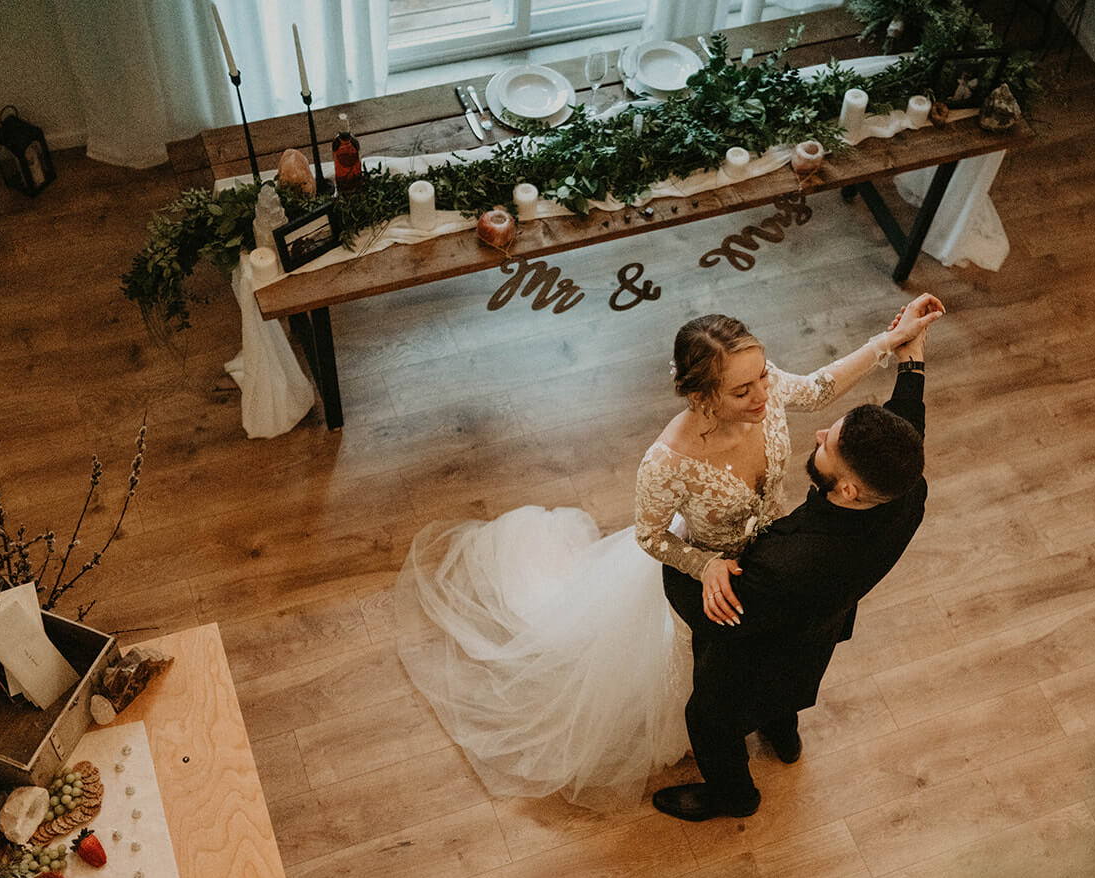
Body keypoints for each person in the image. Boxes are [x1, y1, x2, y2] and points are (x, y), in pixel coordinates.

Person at [394, 306, 938, 809]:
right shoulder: (667, 463)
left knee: (753, 672)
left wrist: (888, 342)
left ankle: (776, 723)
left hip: (769, 581)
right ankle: (765, 728)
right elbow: (651, 537)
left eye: (765, 376)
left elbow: (818, 388)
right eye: (743, 389)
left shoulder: (767, 406)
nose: (765, 397)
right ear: (701, 396)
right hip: (718, 576)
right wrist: (704, 565)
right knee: (713, 675)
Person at [652, 293, 941, 822]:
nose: (822, 431)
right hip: (825, 618)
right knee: (796, 677)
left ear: (849, 490)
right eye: (748, 386)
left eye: (830, 444)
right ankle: (783, 732)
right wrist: (907, 354)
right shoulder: (905, 487)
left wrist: (696, 567)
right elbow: (905, 423)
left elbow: (724, 617)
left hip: (767, 623)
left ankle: (735, 796)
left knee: (712, 717)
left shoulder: (786, 561)